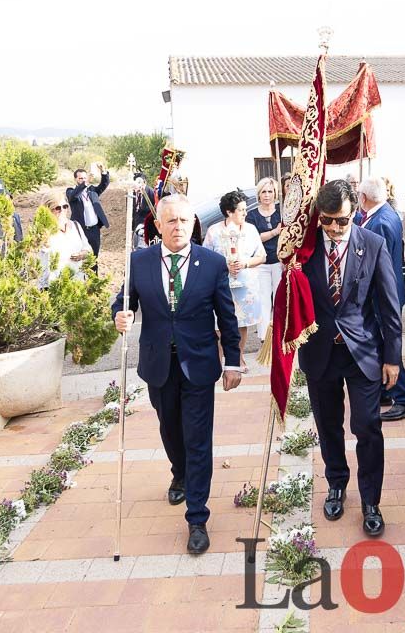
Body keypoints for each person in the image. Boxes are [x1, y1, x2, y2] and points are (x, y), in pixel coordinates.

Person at [112, 194, 242, 555]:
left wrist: (232, 360)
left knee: (198, 438)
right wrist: (120, 316)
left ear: (193, 224)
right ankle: (179, 472)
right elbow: (125, 301)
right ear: (158, 227)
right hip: (158, 364)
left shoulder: (212, 263)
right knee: (170, 429)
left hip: (199, 364)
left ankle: (197, 517)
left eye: (184, 221)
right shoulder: (139, 262)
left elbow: (226, 317)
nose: (178, 227)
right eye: (171, 221)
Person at [296, 179, 401, 538]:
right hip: (320, 352)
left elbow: (389, 305)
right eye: (326, 221)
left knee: (367, 426)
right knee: (328, 425)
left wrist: (393, 357)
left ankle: (371, 499)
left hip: (363, 352)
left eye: (342, 221)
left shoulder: (372, 243)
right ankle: (336, 483)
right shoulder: (304, 249)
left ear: (354, 213)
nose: (335, 229)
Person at [356, 177, 405, 421]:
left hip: (382, 294)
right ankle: (386, 389)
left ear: (362, 198)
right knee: (383, 345)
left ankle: (404, 398)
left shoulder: (379, 221)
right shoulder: (385, 213)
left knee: (388, 347)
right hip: (386, 292)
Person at [204, 190, 265, 362]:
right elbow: (206, 257)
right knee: (219, 322)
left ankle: (238, 356)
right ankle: (220, 357)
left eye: (246, 210)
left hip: (245, 284)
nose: (245, 213)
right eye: (241, 210)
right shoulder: (213, 231)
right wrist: (223, 266)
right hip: (221, 284)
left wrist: (245, 263)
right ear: (229, 212)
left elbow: (262, 256)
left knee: (242, 322)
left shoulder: (251, 229)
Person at [245, 177, 283, 342]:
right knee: (263, 300)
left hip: (280, 262)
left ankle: (280, 334)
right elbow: (254, 238)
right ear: (259, 194)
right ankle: (264, 337)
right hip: (261, 263)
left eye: (270, 191)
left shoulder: (282, 212)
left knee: (280, 299)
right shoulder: (252, 215)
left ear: (275, 193)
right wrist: (275, 232)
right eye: (264, 192)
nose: (267, 195)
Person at [39, 188, 91, 287]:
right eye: (58, 208)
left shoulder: (75, 226)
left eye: (65, 206)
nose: (62, 210)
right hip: (53, 286)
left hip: (77, 283)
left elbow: (87, 248)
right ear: (48, 209)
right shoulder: (43, 231)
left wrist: (83, 254)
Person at [67, 164, 110, 257]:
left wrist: (103, 171)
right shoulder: (71, 191)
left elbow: (104, 184)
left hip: (94, 230)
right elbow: (73, 196)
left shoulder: (92, 190)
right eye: (80, 178)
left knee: (94, 258)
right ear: (75, 179)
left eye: (84, 178)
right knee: (81, 257)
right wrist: (86, 183)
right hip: (80, 230)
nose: (83, 180)